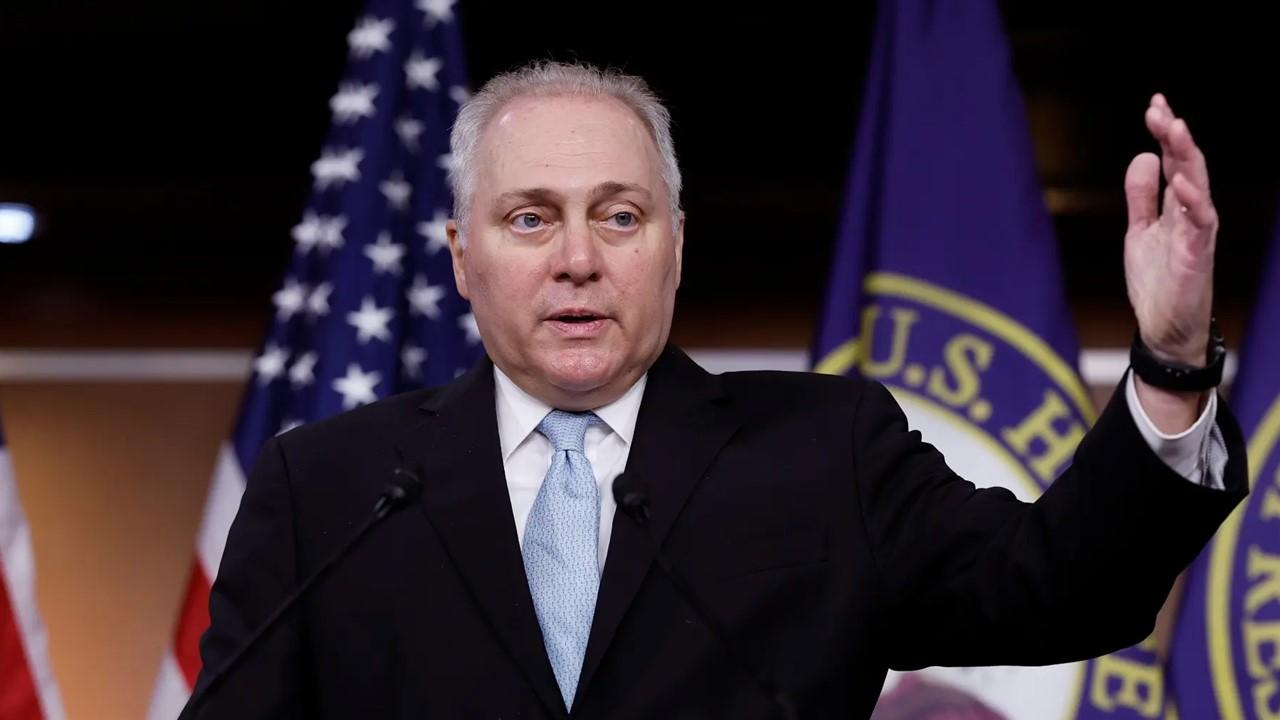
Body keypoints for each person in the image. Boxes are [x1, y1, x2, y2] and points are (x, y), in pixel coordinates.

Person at [183, 61, 1247, 719]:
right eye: (528, 219)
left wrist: (1164, 356)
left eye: (618, 215)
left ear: (675, 248)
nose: (576, 259)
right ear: (461, 257)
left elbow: (1061, 584)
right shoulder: (330, 489)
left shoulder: (822, 455)